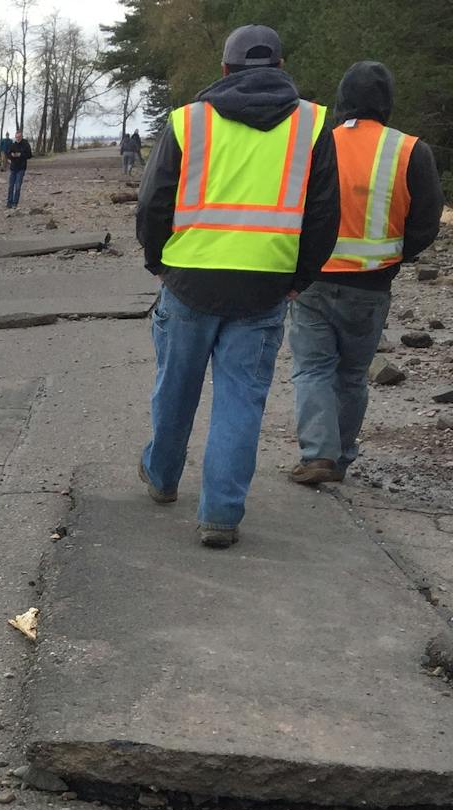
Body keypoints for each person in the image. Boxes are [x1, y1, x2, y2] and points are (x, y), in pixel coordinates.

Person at [135, 24, 339, 548]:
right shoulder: (312, 125)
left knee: (175, 388)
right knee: (240, 403)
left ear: (223, 70)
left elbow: (153, 202)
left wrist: (158, 261)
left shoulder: (189, 122)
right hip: (264, 288)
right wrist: (299, 279)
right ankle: (221, 516)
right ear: (280, 66)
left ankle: (161, 479)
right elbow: (323, 214)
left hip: (189, 282)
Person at [287, 62, 445, 484]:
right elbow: (427, 221)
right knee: (352, 376)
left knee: (312, 369)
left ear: (342, 101)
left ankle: (318, 454)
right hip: (372, 285)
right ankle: (338, 457)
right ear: (387, 104)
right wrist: (396, 254)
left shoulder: (316, 144)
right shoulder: (411, 150)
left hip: (313, 281)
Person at [6, 129, 33, 208]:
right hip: (13, 168)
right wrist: (11, 156)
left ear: (21, 136)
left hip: (21, 168)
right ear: (15, 137)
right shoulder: (13, 145)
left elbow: (29, 155)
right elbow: (8, 154)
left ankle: (15, 203)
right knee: (11, 186)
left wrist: (20, 154)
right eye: (16, 137)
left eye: (19, 137)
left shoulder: (26, 144)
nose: (17, 138)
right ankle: (9, 202)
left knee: (17, 187)